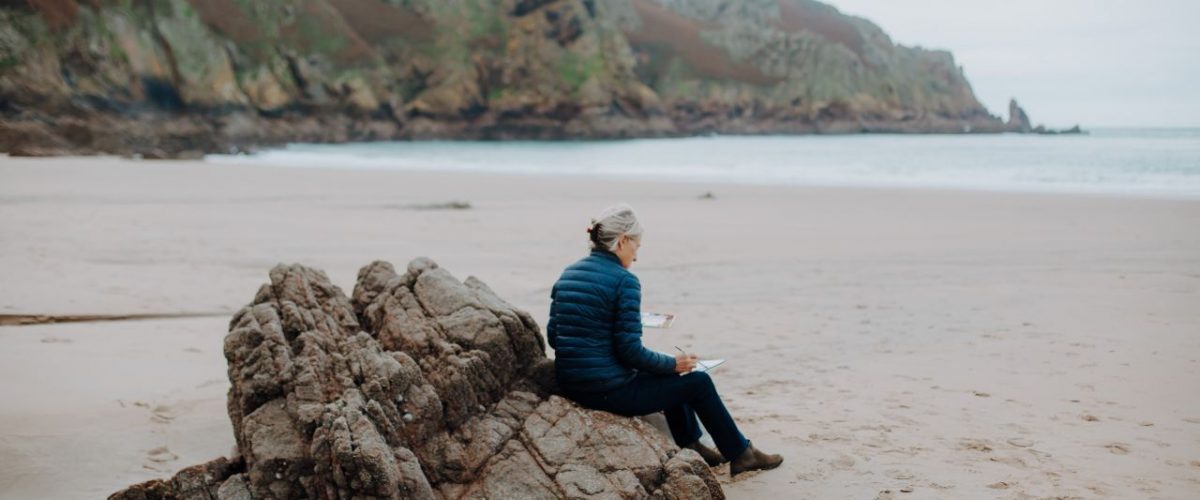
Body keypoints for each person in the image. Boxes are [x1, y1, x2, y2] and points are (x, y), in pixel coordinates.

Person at [546, 203, 783, 477]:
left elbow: (555, 336)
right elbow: (630, 352)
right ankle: (742, 454)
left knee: (672, 377)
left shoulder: (568, 274)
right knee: (698, 381)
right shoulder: (625, 281)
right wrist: (673, 364)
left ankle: (692, 443)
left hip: (571, 383)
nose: (636, 256)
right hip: (606, 390)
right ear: (622, 241)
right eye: (637, 246)